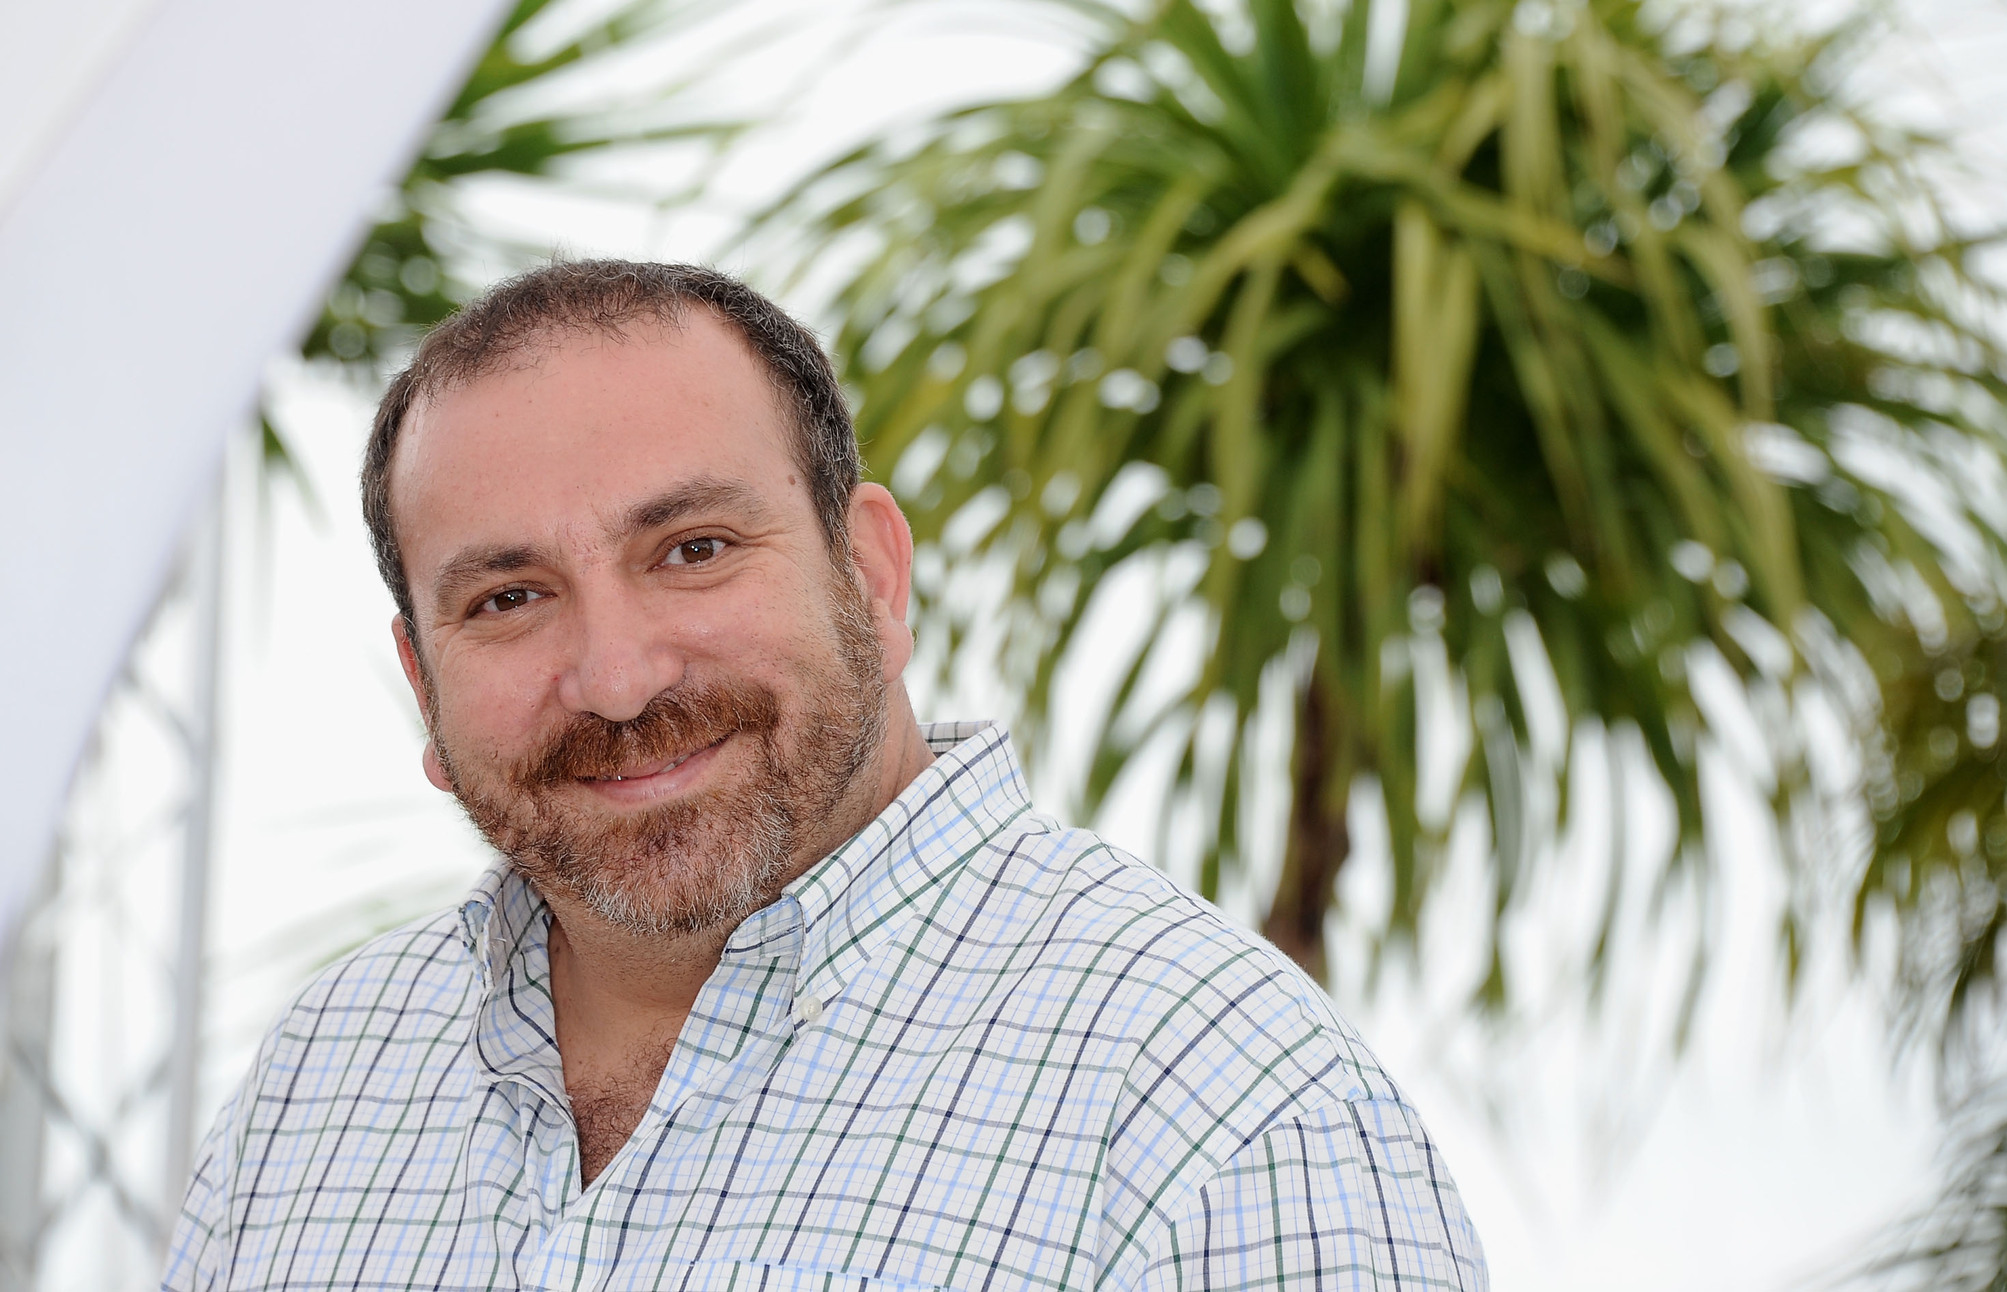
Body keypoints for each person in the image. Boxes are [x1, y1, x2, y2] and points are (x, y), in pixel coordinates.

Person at [162, 260, 1487, 1291]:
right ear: (423, 682)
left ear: (873, 573)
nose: (618, 679)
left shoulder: (1218, 1105)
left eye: (692, 549)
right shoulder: (321, 1081)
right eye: (510, 597)